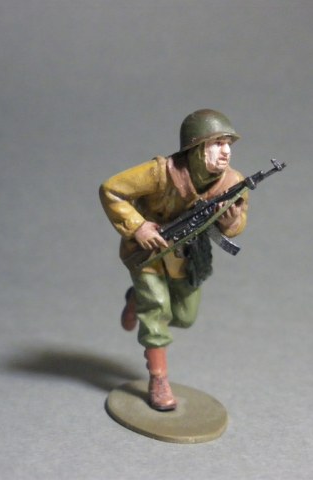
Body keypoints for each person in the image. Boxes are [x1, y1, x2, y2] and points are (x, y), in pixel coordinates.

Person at [99, 109, 248, 411]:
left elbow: (239, 222)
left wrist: (231, 221)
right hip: (149, 253)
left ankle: (135, 300)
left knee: (184, 316)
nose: (226, 151)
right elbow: (111, 190)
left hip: (187, 256)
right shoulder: (160, 173)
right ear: (196, 147)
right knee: (157, 309)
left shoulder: (232, 182)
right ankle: (158, 380)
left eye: (228, 144)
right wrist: (138, 227)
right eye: (217, 143)